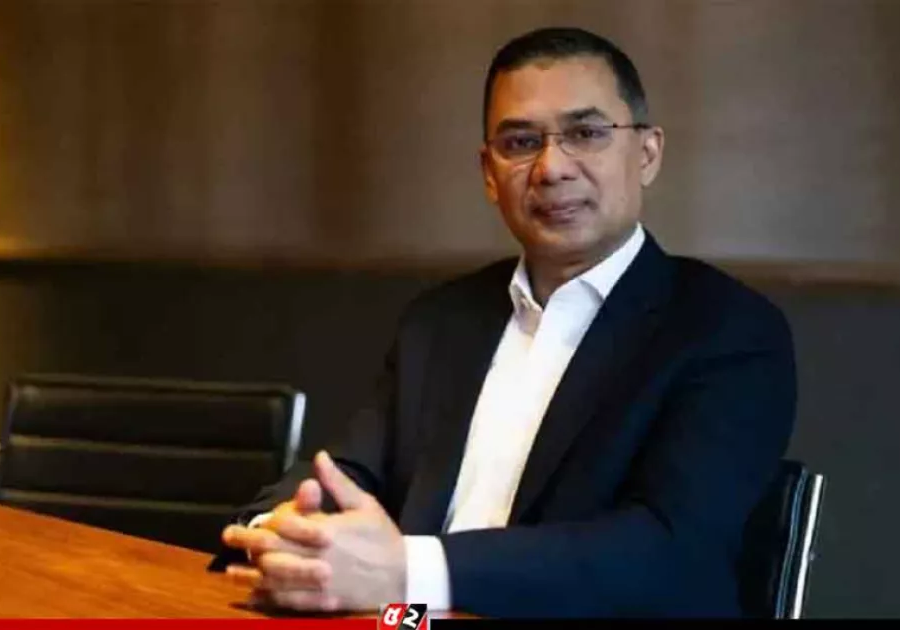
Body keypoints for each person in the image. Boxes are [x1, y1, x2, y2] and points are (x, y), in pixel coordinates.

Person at [208, 26, 796, 618]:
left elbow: (668, 552)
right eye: (520, 142)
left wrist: (408, 572)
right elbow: (346, 472)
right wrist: (285, 532)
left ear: (646, 154)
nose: (551, 168)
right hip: (408, 623)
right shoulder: (443, 320)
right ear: (490, 173)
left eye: (585, 134)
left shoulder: (726, 331)